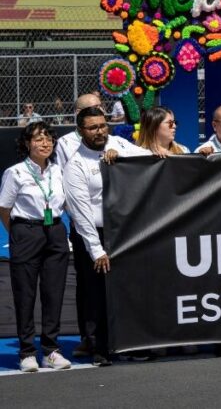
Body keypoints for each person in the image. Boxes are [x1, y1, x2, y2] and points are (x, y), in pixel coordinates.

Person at [63, 106, 149, 366]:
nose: (100, 131)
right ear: (81, 132)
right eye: (92, 127)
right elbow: (80, 213)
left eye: (102, 125)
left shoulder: (118, 143)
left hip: (122, 231)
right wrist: (96, 249)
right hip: (93, 235)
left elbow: (149, 156)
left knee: (127, 291)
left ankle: (128, 343)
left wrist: (121, 155)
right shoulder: (75, 165)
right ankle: (100, 347)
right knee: (96, 293)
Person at [0, 122, 72, 372]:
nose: (45, 144)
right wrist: (20, 234)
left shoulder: (60, 171)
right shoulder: (15, 172)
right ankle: (27, 352)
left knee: (54, 293)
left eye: (49, 139)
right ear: (27, 144)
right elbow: (4, 209)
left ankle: (51, 350)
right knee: (25, 294)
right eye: (39, 139)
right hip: (26, 231)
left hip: (55, 233)